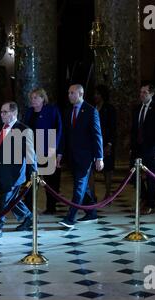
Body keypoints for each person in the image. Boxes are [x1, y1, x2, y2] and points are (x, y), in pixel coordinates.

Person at [0, 101, 37, 240]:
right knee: (11, 200)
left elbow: (30, 154)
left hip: (13, 174)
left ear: (14, 113)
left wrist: (34, 173)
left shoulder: (23, 130)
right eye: (1, 112)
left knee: (5, 200)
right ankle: (28, 217)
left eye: (5, 112)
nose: (1, 114)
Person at [57, 84, 104, 228]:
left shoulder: (91, 111)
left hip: (85, 156)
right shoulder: (68, 111)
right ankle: (92, 213)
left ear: (80, 93)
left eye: (72, 93)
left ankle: (70, 218)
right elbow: (64, 135)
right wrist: (60, 153)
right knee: (84, 188)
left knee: (79, 186)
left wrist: (99, 157)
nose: (69, 95)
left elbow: (97, 135)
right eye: (68, 92)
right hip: (72, 156)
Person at [23, 88, 62, 215]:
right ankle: (29, 208)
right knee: (31, 180)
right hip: (32, 152)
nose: (33, 100)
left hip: (48, 151)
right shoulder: (29, 112)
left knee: (50, 181)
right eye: (32, 98)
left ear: (42, 98)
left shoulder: (52, 110)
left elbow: (59, 130)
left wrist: (56, 150)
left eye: (36, 97)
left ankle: (51, 207)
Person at [130, 83, 155, 215]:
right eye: (141, 92)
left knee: (151, 178)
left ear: (151, 93)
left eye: (145, 92)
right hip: (137, 148)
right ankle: (144, 197)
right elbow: (134, 129)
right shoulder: (136, 108)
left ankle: (151, 204)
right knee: (133, 175)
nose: (142, 94)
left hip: (152, 148)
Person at [91, 84, 117, 199]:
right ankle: (92, 194)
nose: (95, 96)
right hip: (93, 143)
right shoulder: (92, 108)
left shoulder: (110, 109)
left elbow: (113, 128)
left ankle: (108, 193)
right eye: (95, 93)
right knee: (91, 169)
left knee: (107, 169)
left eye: (97, 94)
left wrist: (109, 144)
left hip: (106, 142)